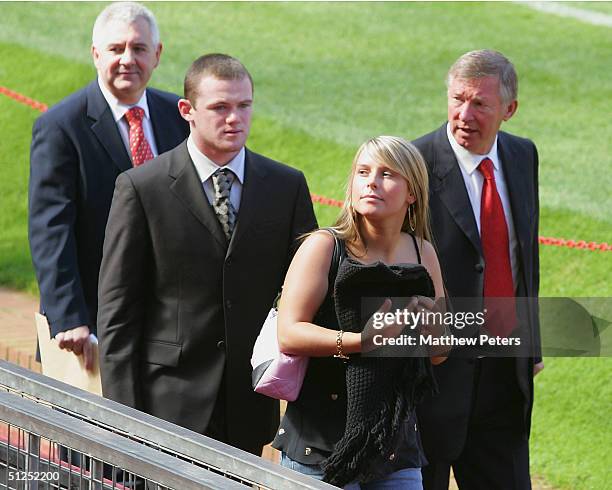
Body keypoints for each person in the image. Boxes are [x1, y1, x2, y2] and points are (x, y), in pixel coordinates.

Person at [97, 53, 317, 456]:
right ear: (188, 110)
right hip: (165, 404)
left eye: (243, 106)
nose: (234, 118)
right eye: (219, 107)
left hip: (249, 405)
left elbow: (312, 289)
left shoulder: (286, 187)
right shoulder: (141, 189)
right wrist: (123, 417)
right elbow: (118, 314)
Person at [272, 136, 446, 489]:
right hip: (318, 448)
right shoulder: (323, 247)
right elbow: (289, 333)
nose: (372, 182)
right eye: (363, 172)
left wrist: (432, 328)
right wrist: (360, 341)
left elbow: (439, 354)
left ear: (411, 193)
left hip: (396, 448)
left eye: (387, 174)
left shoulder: (422, 253)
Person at [28, 1, 188, 369]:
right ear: (96, 54)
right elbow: (50, 229)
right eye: (116, 49)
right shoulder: (61, 126)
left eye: (139, 48)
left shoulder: (178, 116)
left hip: (167, 320)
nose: (128, 59)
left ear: (158, 54)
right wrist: (67, 315)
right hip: (91, 321)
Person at [412, 50, 543, 490]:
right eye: (457, 99)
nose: (464, 114)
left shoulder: (523, 155)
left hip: (505, 375)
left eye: (480, 104)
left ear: (509, 109)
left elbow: (523, 252)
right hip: (433, 377)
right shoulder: (415, 164)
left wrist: (533, 341)